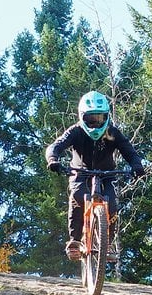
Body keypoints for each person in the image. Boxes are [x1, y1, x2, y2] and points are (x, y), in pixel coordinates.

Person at [45, 91, 145, 260]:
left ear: (106, 117)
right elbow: (55, 146)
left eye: (99, 118)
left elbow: (130, 152)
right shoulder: (75, 132)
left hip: (107, 174)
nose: (95, 124)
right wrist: (53, 159)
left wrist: (137, 166)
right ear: (82, 117)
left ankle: (108, 243)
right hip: (80, 173)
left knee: (112, 203)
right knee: (78, 197)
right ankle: (75, 241)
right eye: (90, 120)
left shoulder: (113, 133)